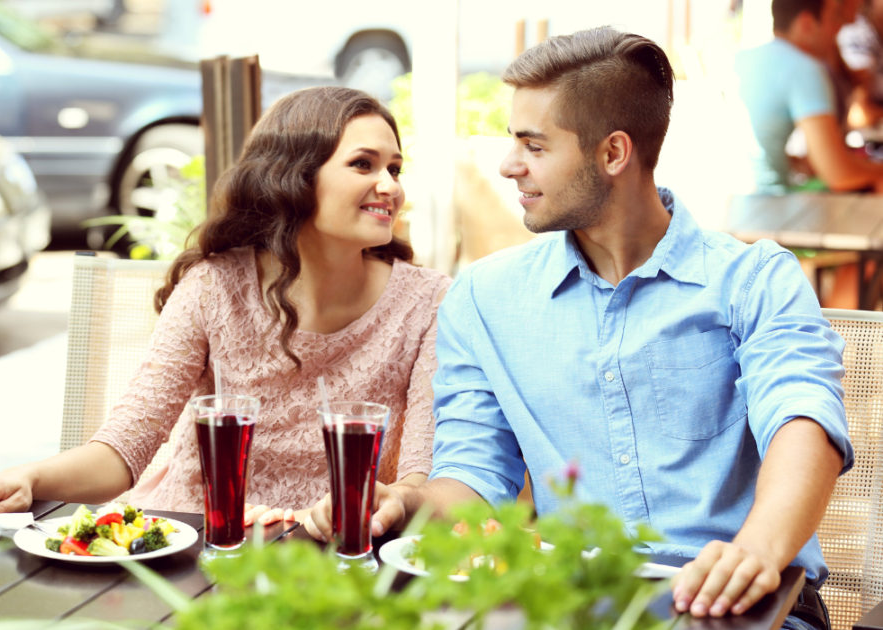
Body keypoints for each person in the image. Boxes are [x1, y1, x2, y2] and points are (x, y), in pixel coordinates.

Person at [310, 27, 853, 629]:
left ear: (613, 153)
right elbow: (474, 476)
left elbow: (803, 422)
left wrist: (756, 549)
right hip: (571, 607)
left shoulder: (753, 279)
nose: (509, 164)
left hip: (741, 606)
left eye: (534, 146)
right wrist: (406, 502)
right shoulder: (483, 300)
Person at [0, 87, 451, 529]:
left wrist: (388, 504)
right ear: (294, 177)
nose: (389, 185)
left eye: (394, 168)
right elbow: (124, 449)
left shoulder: (429, 302)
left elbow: (419, 473)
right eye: (363, 164)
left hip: (340, 550)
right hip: (195, 538)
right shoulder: (214, 286)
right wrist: (27, 478)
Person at [734, 0, 883, 192]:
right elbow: (839, 175)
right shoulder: (804, 68)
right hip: (770, 205)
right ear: (807, 23)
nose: (839, 28)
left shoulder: (745, 57)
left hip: (735, 201)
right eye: (833, 18)